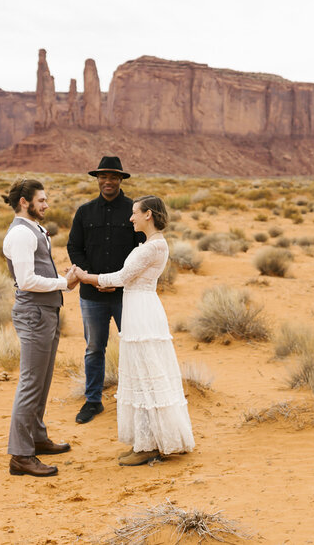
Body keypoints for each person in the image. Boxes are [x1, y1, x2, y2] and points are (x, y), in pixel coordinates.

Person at [75, 195, 195, 466]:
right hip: (139, 305)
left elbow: (120, 277)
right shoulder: (151, 244)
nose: (131, 218)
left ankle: (149, 445)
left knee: (146, 373)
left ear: (148, 215)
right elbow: (125, 279)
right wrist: (108, 283)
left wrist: (85, 277)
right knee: (143, 373)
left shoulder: (153, 246)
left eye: (135, 213)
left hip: (141, 310)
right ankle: (147, 441)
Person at [1, 178, 79, 477]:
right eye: (42, 200)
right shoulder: (21, 233)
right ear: (25, 202)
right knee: (32, 382)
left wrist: (64, 282)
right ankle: (21, 455)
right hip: (34, 313)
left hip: (45, 311)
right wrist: (64, 282)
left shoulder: (32, 229)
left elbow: (36, 273)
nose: (46, 205)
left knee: (43, 379)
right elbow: (27, 280)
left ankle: (36, 437)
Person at [66, 156, 144, 424]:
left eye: (113, 177)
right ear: (97, 179)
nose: (107, 181)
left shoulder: (135, 211)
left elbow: (141, 250)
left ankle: (136, 401)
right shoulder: (84, 212)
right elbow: (74, 248)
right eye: (103, 177)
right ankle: (93, 401)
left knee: (133, 347)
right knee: (94, 348)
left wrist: (117, 279)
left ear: (121, 179)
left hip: (127, 294)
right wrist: (94, 278)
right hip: (92, 296)